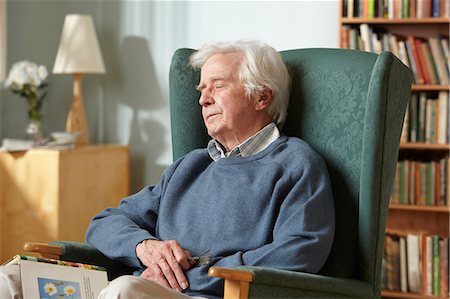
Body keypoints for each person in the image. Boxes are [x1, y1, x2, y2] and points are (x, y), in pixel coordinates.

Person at [0, 40, 334, 299]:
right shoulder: (192, 165)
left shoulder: (295, 164)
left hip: (204, 294)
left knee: (124, 292)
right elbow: (105, 222)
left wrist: (186, 275)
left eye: (217, 86)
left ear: (261, 97)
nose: (203, 100)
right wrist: (146, 249)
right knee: (11, 279)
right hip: (142, 287)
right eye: (201, 90)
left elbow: (300, 252)